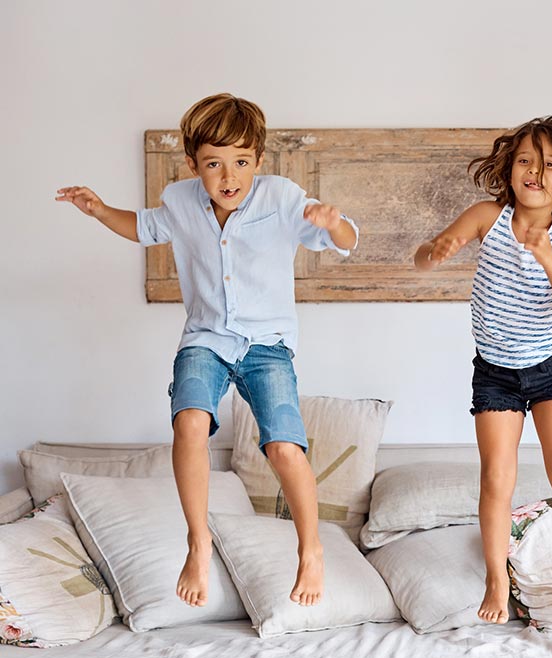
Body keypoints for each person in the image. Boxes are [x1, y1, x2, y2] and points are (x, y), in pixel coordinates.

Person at [55, 93, 358, 609]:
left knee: (285, 448)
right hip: (205, 339)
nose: (228, 176)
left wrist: (333, 223)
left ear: (258, 161)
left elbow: (345, 240)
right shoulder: (178, 201)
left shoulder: (282, 197)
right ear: (193, 164)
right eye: (213, 164)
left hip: (268, 345)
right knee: (189, 422)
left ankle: (311, 549)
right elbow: (143, 227)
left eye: (241, 162)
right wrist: (99, 209)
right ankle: (198, 541)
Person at [414, 116, 552, 628]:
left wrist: (547, 257)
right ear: (509, 166)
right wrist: (437, 251)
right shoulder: (486, 216)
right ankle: (497, 579)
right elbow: (423, 259)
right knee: (496, 478)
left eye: (549, 166)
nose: (535, 173)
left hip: (551, 368)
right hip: (495, 370)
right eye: (525, 161)